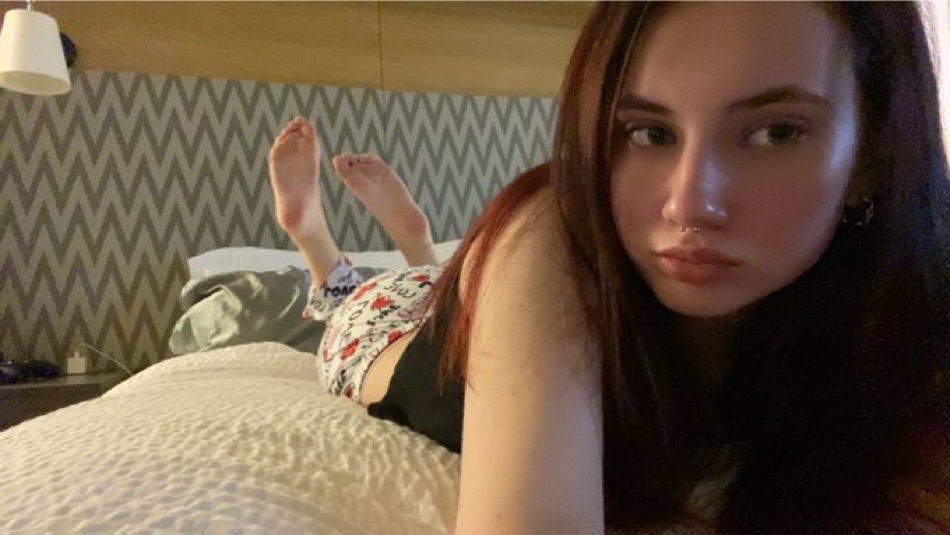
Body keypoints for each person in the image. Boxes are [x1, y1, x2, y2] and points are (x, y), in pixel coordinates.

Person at [268, 2, 949, 533]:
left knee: (438, 274)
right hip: (396, 330)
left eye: (776, 132)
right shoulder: (549, 233)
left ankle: (426, 251)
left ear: (872, 155)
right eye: (650, 132)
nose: (690, 205)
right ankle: (321, 246)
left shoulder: (907, 290)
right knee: (360, 304)